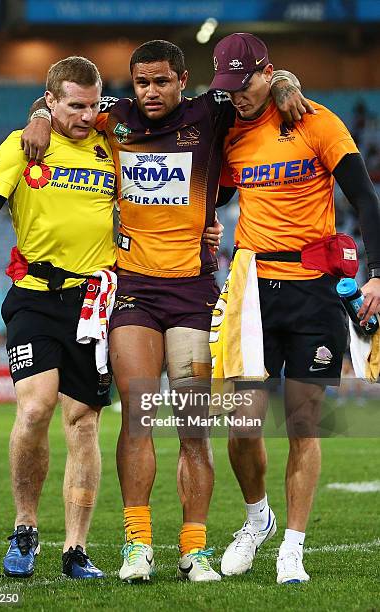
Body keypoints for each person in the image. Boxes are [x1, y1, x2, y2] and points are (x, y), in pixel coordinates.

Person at [22, 40, 311, 582]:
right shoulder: (115, 119)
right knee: (137, 419)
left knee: (192, 427)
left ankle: (193, 550)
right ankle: (138, 546)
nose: (150, 92)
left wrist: (289, 81)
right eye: (140, 82)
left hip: (192, 292)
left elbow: (265, 82)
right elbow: (65, 108)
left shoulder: (211, 112)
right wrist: (38, 115)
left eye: (160, 81)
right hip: (133, 291)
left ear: (183, 80)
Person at [209, 33, 380, 584]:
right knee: (242, 426)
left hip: (314, 290)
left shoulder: (317, 122)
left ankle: (293, 548)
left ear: (269, 72)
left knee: (305, 424)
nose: (236, 95)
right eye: (228, 86)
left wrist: (376, 275)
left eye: (246, 84)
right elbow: (140, 110)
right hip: (253, 290)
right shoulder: (228, 126)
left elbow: (365, 200)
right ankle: (257, 519)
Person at [0, 56, 117, 579]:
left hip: (95, 303)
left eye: (94, 104)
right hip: (34, 297)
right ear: (49, 101)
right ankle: (25, 529)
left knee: (84, 424)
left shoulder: (113, 141)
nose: (87, 115)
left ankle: (75, 550)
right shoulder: (24, 146)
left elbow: (165, 119)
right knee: (34, 411)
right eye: (74, 105)